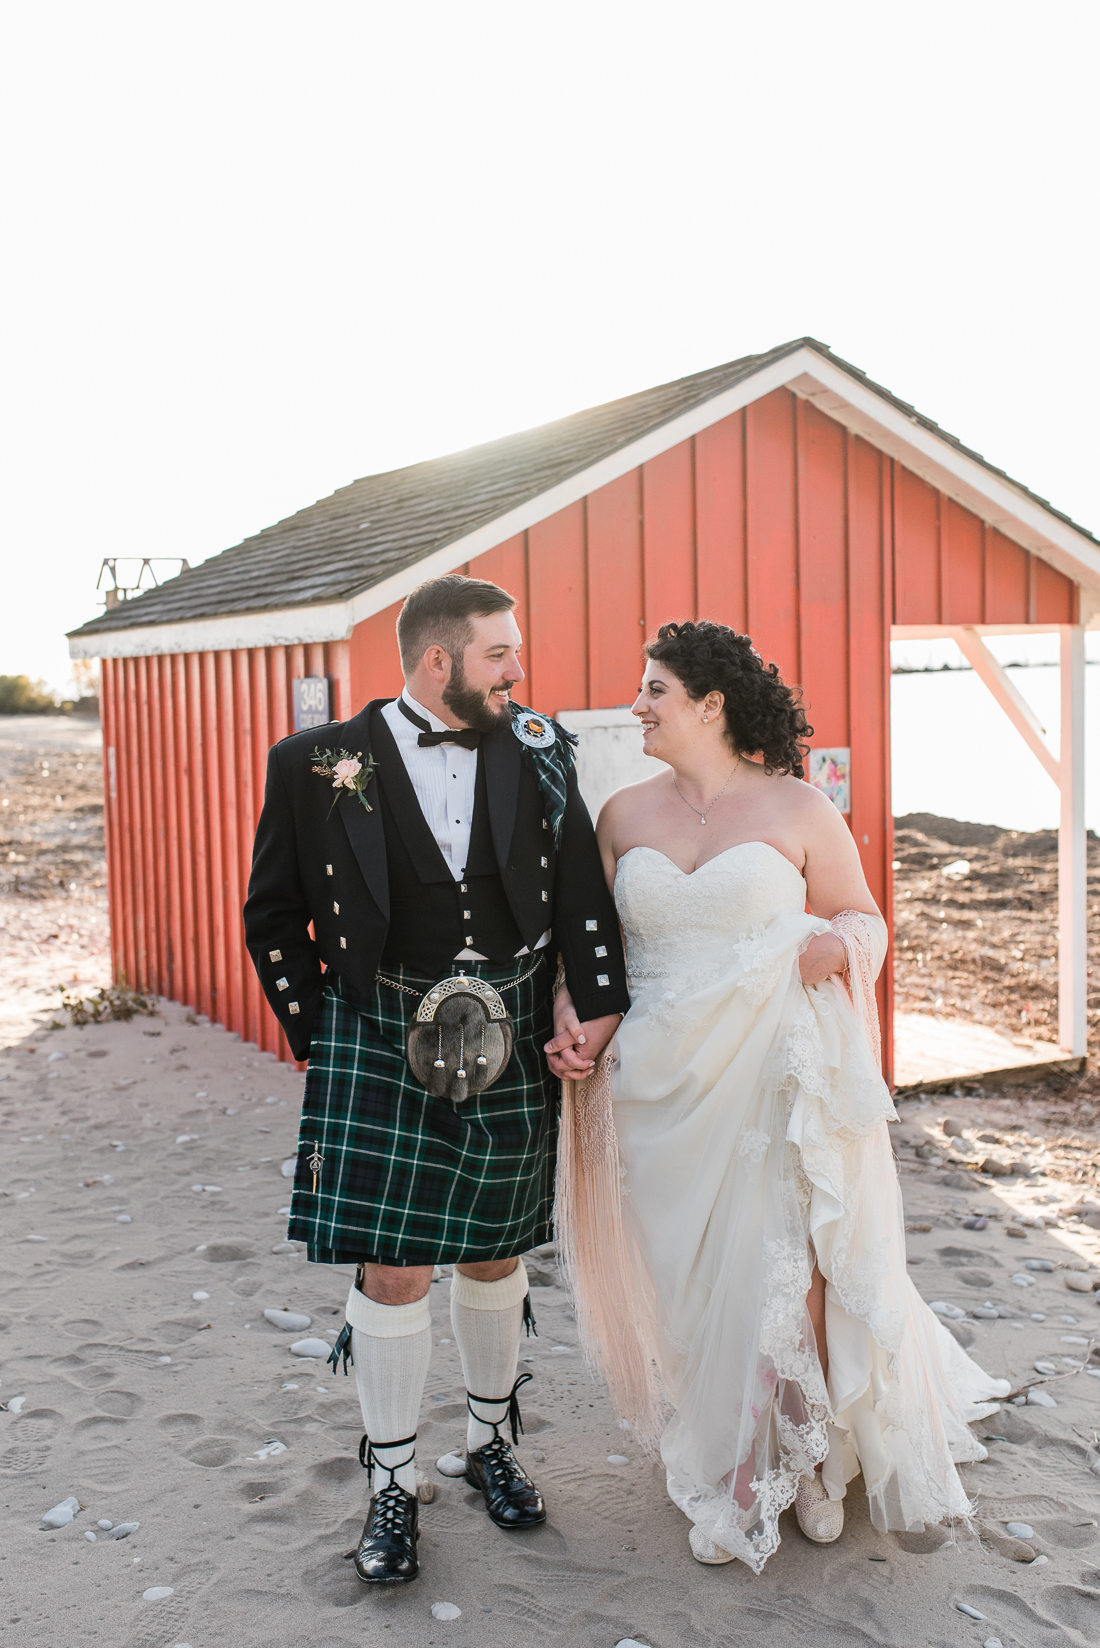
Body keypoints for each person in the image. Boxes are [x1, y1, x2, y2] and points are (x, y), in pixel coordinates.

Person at [549, 620, 1009, 1572]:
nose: (636, 706)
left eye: (654, 690)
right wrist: (571, 1013)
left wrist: (833, 950)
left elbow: (862, 921)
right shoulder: (622, 815)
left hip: (770, 1068)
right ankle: (733, 1440)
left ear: (710, 705)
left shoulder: (800, 806)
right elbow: (589, 955)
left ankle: (792, 1466)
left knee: (784, 1269)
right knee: (691, 1284)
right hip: (660, 1086)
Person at [244, 574, 627, 1585]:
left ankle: (491, 1443)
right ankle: (392, 1477)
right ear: (435, 662)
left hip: (506, 1034)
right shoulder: (312, 761)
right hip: (377, 1035)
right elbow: (273, 912)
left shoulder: (539, 746)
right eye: (499, 653)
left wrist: (591, 1002)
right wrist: (322, 1034)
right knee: (395, 1266)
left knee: (497, 1256)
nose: (517, 668)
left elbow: (581, 886)